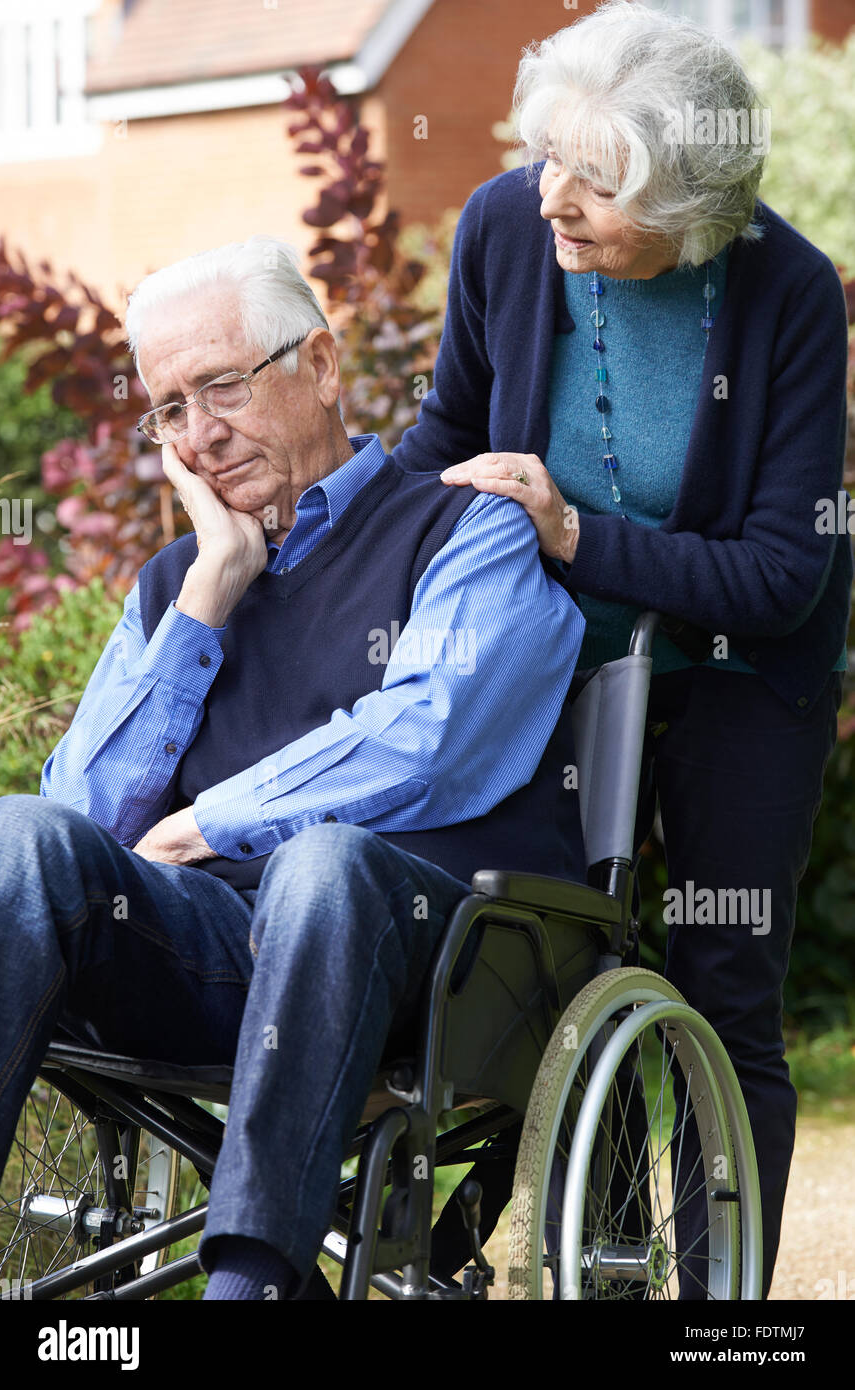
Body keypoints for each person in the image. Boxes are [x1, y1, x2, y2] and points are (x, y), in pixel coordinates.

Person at [0, 235, 587, 1300]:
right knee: (13, 835)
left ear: (319, 365)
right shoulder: (175, 583)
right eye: (169, 409)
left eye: (222, 385)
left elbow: (430, 734)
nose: (200, 434)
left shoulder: (467, 529)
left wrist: (208, 823)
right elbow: (75, 817)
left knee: (323, 864)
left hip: (433, 960)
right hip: (216, 958)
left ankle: (249, 1290)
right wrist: (210, 592)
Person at [391, 0, 851, 1298]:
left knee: (719, 978)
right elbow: (444, 435)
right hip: (554, 653)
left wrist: (573, 531)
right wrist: (341, 538)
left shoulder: (783, 290)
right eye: (547, 157)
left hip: (739, 666)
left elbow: (776, 570)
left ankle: (723, 1298)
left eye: (596, 182)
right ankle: (607, 1262)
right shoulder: (500, 227)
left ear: (693, 207)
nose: (552, 200)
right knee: (555, 957)